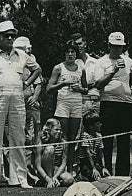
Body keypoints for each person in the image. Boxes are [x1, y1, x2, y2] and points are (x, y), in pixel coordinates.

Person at [0, 20, 39, 188]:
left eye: (12, 36)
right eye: (6, 35)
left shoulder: (22, 55)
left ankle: (20, 179)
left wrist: (27, 83)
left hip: (17, 98)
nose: (10, 38)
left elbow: (37, 69)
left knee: (18, 138)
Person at [89, 31, 132, 176]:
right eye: (114, 46)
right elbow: (99, 84)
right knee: (107, 140)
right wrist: (113, 71)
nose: (117, 49)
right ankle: (107, 173)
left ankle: (122, 175)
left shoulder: (128, 60)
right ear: (109, 45)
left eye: (120, 46)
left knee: (124, 140)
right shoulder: (102, 62)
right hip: (108, 103)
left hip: (126, 103)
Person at [46, 40, 88, 173]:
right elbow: (48, 89)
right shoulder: (59, 68)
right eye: (67, 52)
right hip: (63, 103)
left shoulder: (81, 68)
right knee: (62, 137)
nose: (70, 54)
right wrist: (63, 84)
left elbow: (86, 88)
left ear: (77, 54)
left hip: (76, 104)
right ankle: (59, 169)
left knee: (72, 139)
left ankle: (70, 169)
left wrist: (80, 88)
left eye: (73, 52)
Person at [13, 36, 44, 170]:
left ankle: (33, 167)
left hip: (30, 103)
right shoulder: (14, 62)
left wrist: (35, 97)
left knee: (33, 136)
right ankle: (18, 168)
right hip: (17, 102)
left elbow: (39, 82)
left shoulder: (32, 62)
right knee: (20, 135)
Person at [75, 111, 110, 182]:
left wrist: (103, 167)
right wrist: (93, 168)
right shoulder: (85, 136)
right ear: (91, 126)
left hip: (95, 162)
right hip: (85, 163)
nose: (101, 124)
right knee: (97, 179)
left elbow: (101, 153)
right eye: (98, 124)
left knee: (107, 176)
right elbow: (87, 153)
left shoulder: (99, 136)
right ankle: (81, 175)